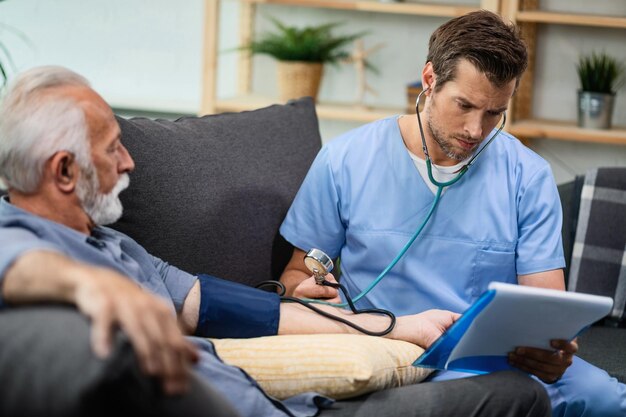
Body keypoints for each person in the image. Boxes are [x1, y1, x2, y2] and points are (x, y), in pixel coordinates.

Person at [0, 65, 551, 417]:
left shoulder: (114, 247)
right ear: (66, 171)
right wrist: (82, 284)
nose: (128, 162)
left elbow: (226, 305)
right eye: (112, 148)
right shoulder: (24, 240)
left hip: (284, 402)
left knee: (519, 394)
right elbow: (16, 265)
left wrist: (394, 327)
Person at [279, 9, 626, 417]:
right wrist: (302, 292)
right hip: (390, 348)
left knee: (607, 400)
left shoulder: (529, 175)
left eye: (495, 113)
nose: (476, 130)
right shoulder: (345, 159)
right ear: (430, 80)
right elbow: (297, 274)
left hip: (496, 360)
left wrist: (555, 351)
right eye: (464, 105)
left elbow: (547, 306)